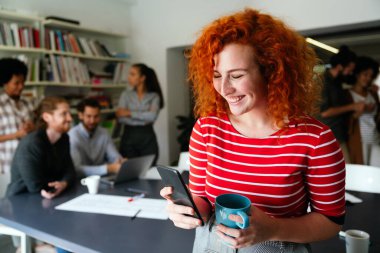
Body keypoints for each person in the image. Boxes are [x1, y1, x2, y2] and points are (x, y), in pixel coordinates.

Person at [160, 9, 345, 253]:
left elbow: (331, 221)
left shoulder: (315, 139)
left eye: (236, 76)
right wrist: (185, 210)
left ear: (271, 71)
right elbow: (202, 200)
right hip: (210, 244)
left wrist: (272, 229)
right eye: (217, 76)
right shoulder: (207, 128)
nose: (224, 89)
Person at [6, 96, 75, 253]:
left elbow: (70, 171)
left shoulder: (64, 139)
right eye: (64, 114)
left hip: (48, 201)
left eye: (69, 113)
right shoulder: (32, 143)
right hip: (22, 203)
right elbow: (35, 185)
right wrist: (58, 185)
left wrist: (63, 183)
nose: (70, 118)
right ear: (47, 117)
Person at [319, 45, 365, 162]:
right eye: (349, 69)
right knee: (344, 168)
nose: (350, 73)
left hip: (340, 133)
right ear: (340, 66)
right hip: (329, 135)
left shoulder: (338, 83)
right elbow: (325, 112)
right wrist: (353, 106)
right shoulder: (323, 82)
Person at [116, 63, 164, 165]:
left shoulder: (154, 96)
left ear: (142, 78)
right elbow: (120, 117)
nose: (129, 77)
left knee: (150, 168)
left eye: (132, 74)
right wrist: (144, 116)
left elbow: (152, 117)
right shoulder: (126, 94)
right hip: (128, 136)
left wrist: (129, 112)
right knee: (129, 169)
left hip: (147, 137)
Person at [0, 58, 35, 197]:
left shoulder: (27, 104)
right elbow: (18, 134)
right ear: (4, 82)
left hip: (27, 164)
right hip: (5, 166)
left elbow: (35, 130)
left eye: (23, 82)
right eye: (16, 83)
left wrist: (32, 128)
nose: (21, 86)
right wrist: (16, 135)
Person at [69, 98, 124, 177]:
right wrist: (108, 168)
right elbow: (77, 169)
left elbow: (114, 156)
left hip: (102, 179)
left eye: (96, 116)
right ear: (80, 115)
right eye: (89, 116)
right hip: (82, 181)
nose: (92, 121)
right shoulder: (72, 136)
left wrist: (120, 161)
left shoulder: (104, 133)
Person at [347, 56, 380, 165]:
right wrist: (359, 112)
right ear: (357, 74)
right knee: (362, 172)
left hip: (375, 139)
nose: (368, 78)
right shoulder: (348, 95)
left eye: (371, 76)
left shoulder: (373, 94)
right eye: (365, 74)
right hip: (360, 141)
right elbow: (345, 121)